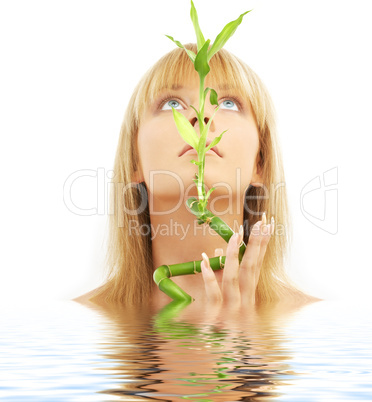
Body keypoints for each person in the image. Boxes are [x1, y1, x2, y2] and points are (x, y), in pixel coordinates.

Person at [74, 43, 317, 308]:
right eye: (172, 104)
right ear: (134, 161)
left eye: (228, 103)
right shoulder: (84, 322)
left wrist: (247, 342)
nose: (201, 116)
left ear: (260, 162)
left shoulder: (309, 322)